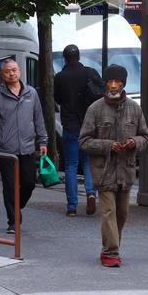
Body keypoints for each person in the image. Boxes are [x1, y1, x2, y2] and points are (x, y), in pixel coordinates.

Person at [80, 64, 148, 268]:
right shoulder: (95, 109)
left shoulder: (134, 108)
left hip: (126, 170)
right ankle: (110, 252)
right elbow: (83, 141)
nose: (112, 85)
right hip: (103, 170)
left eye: (117, 81)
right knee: (109, 212)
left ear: (123, 83)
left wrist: (134, 143)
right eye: (109, 81)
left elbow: (145, 137)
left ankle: (111, 247)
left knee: (122, 213)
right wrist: (109, 146)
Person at [0, 58, 48, 235]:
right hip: (6, 150)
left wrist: (43, 141)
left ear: (19, 71)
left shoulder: (31, 93)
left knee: (29, 183)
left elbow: (38, 118)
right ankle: (13, 220)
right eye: (7, 71)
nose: (11, 73)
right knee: (9, 186)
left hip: (27, 148)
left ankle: (17, 206)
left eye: (14, 70)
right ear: (2, 75)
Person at [54, 44, 103, 217]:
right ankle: (91, 193)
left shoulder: (60, 77)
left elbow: (57, 99)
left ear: (65, 58)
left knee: (71, 165)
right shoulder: (89, 73)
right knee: (88, 162)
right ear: (79, 57)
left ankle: (72, 206)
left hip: (70, 125)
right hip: (89, 125)